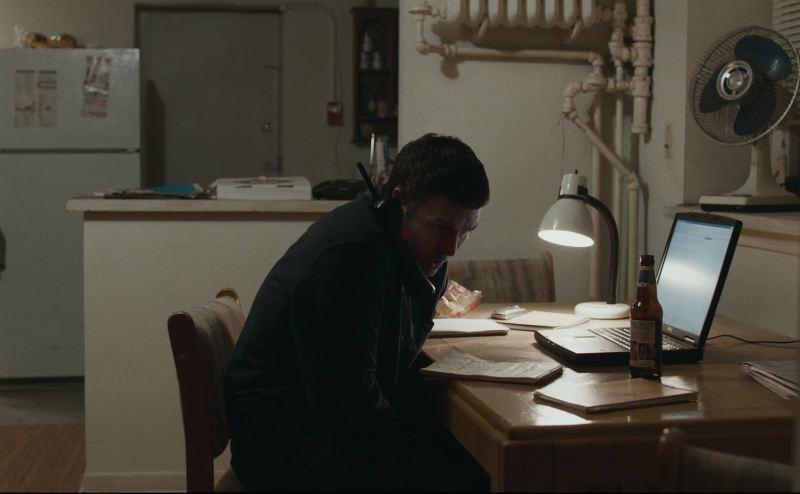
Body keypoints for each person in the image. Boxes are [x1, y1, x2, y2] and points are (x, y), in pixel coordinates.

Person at [224, 133, 491, 491]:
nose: (451, 248)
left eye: (465, 232)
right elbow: (347, 406)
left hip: (323, 425)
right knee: (464, 476)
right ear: (399, 201)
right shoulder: (350, 256)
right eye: (440, 227)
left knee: (471, 462)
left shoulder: (411, 250)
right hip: (283, 442)